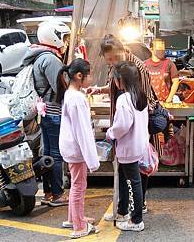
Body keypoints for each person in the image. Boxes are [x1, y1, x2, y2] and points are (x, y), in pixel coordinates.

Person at [88, 34, 157, 214]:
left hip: (134, 129)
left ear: (122, 49)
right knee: (126, 171)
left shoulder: (137, 67)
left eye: (114, 58)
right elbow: (116, 86)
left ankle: (137, 210)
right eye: (108, 60)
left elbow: (147, 97)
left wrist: (128, 119)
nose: (112, 62)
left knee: (137, 172)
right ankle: (124, 208)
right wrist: (100, 89)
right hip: (124, 128)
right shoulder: (116, 69)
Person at [23, 21, 70, 206]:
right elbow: (60, 88)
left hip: (45, 112)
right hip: (53, 113)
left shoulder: (40, 56)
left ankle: (49, 193)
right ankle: (57, 194)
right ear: (54, 36)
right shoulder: (50, 59)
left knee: (48, 153)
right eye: (64, 38)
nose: (65, 42)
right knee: (56, 155)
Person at [57, 58, 100, 238]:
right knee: (79, 186)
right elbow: (83, 131)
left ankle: (74, 218)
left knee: (76, 184)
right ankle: (79, 226)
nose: (91, 78)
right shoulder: (77, 99)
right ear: (79, 76)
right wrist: (92, 159)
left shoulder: (71, 93)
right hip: (76, 149)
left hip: (70, 146)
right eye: (88, 75)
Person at [105, 61, 149, 232]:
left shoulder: (124, 99)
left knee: (133, 182)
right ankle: (122, 211)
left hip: (128, 146)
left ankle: (136, 220)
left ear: (121, 80)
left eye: (115, 79)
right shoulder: (140, 95)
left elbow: (122, 125)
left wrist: (110, 133)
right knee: (125, 179)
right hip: (138, 144)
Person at [144, 39, 180, 103]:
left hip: (165, 101)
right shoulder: (144, 64)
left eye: (163, 49)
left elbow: (176, 81)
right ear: (151, 49)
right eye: (159, 49)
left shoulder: (169, 63)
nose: (161, 51)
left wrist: (169, 99)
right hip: (149, 102)